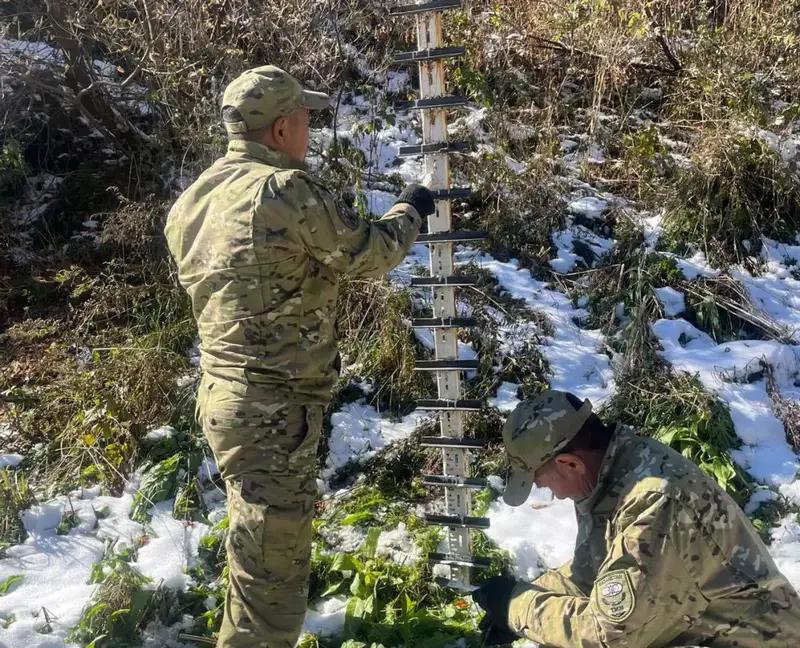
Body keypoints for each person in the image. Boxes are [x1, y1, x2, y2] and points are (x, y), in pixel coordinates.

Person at [164, 65, 434, 648]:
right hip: (273, 410)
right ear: (282, 127)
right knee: (272, 588)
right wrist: (412, 209)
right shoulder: (282, 190)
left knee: (257, 557)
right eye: (305, 118)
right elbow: (366, 255)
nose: (310, 129)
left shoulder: (193, 200)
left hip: (227, 399)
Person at [473, 389, 800, 647]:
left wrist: (517, 609)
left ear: (570, 464)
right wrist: (524, 594)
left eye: (544, 484)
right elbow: (590, 573)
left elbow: (609, 635)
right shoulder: (608, 474)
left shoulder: (654, 501)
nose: (554, 495)